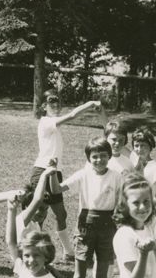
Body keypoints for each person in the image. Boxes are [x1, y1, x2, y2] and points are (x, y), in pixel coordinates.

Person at [57, 136, 124, 278]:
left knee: (102, 276)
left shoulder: (117, 176)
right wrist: (51, 172)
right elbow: (58, 188)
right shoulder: (84, 174)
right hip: (85, 226)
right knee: (79, 275)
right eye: (94, 157)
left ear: (109, 156)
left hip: (108, 227)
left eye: (103, 156)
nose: (99, 160)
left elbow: (121, 203)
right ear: (89, 158)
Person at [30, 89, 102, 262]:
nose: (55, 105)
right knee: (39, 214)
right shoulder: (46, 122)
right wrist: (90, 104)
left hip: (54, 172)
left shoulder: (52, 125)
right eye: (51, 101)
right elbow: (71, 116)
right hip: (43, 172)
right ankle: (34, 249)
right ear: (43, 106)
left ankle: (67, 252)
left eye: (57, 101)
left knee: (58, 214)